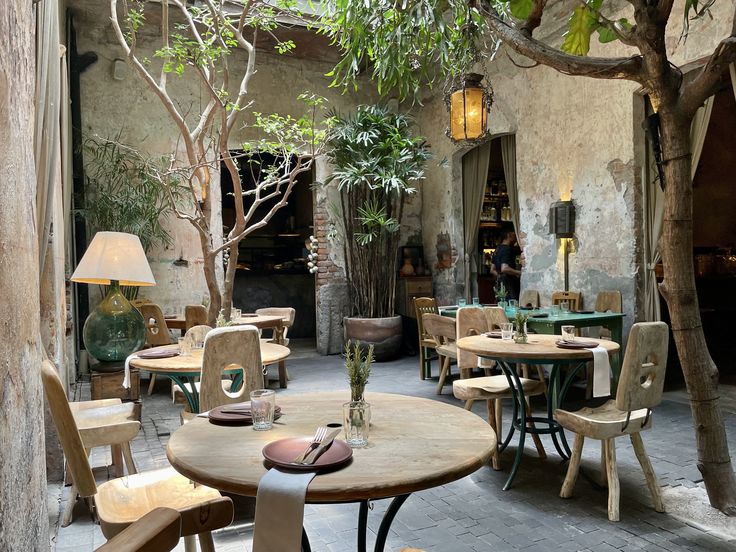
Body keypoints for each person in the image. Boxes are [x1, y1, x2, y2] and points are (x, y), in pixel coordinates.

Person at [492, 230, 521, 301]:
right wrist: (519, 273)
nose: (516, 237)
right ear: (508, 235)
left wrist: (500, 277)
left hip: (500, 285)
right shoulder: (507, 249)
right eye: (514, 234)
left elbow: (492, 270)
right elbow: (504, 268)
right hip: (509, 284)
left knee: (502, 305)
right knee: (512, 306)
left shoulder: (497, 249)